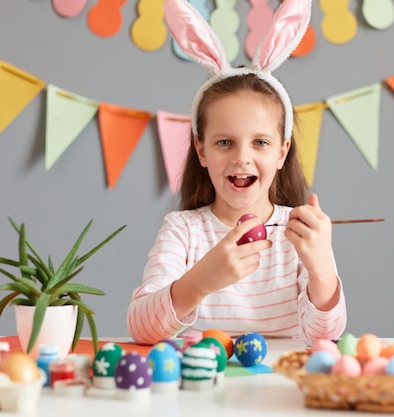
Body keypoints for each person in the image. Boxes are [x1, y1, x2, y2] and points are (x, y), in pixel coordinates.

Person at [127, 0, 346, 346]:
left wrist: (321, 269)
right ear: (201, 150)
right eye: (225, 142)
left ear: (281, 152)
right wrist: (200, 281)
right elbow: (141, 328)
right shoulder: (183, 231)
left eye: (260, 142)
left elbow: (325, 337)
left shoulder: (302, 233)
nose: (242, 158)